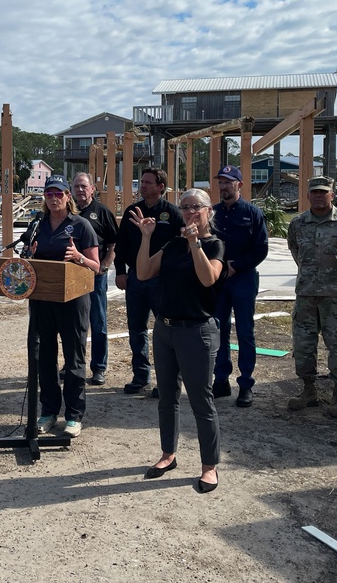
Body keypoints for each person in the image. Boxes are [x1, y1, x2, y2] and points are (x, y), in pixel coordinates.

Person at [131, 188, 224, 493]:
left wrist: (195, 243)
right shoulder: (172, 244)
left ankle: (209, 467)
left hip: (196, 331)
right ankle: (168, 454)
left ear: (208, 211)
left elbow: (208, 278)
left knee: (201, 400)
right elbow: (143, 273)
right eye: (184, 208)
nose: (188, 213)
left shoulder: (214, 245)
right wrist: (146, 237)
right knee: (167, 397)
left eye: (195, 207)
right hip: (165, 329)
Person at [286, 175, 337, 418]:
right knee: (303, 345)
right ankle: (308, 391)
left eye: (324, 192)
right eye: (315, 192)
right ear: (308, 195)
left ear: (332, 195)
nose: (319, 196)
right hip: (307, 295)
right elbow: (296, 252)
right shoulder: (298, 224)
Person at [27, 175, 100, 438]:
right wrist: (29, 254)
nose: (54, 198)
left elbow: (96, 266)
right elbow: (28, 260)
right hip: (43, 300)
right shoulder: (37, 225)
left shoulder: (81, 226)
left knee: (73, 359)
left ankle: (73, 415)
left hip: (73, 301)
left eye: (59, 194)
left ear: (69, 197)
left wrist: (79, 257)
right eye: (49, 194)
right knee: (44, 357)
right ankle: (48, 411)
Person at [114, 168, 184, 394]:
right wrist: (120, 272)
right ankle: (141, 376)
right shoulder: (132, 212)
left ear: (160, 187)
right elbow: (121, 244)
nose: (142, 186)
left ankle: (167, 380)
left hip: (162, 281)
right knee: (137, 329)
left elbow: (180, 246)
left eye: (147, 182)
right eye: (141, 182)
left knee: (166, 330)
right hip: (135, 279)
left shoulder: (172, 213)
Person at [211, 165, 270, 407]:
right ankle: (221, 379)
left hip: (243, 278)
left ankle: (245, 384)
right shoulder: (212, 213)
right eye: (221, 182)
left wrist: (237, 265)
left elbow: (261, 248)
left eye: (229, 182)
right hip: (218, 280)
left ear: (239, 185)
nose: (224, 186)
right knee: (218, 330)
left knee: (245, 332)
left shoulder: (252, 213)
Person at [71, 172, 117, 385]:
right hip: (71, 277)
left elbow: (114, 242)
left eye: (83, 186)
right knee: (72, 324)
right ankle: (72, 364)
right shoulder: (67, 211)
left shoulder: (101, 212)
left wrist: (105, 265)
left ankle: (99, 367)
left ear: (92, 189)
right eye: (76, 186)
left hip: (94, 275)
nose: (80, 190)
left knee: (97, 322)